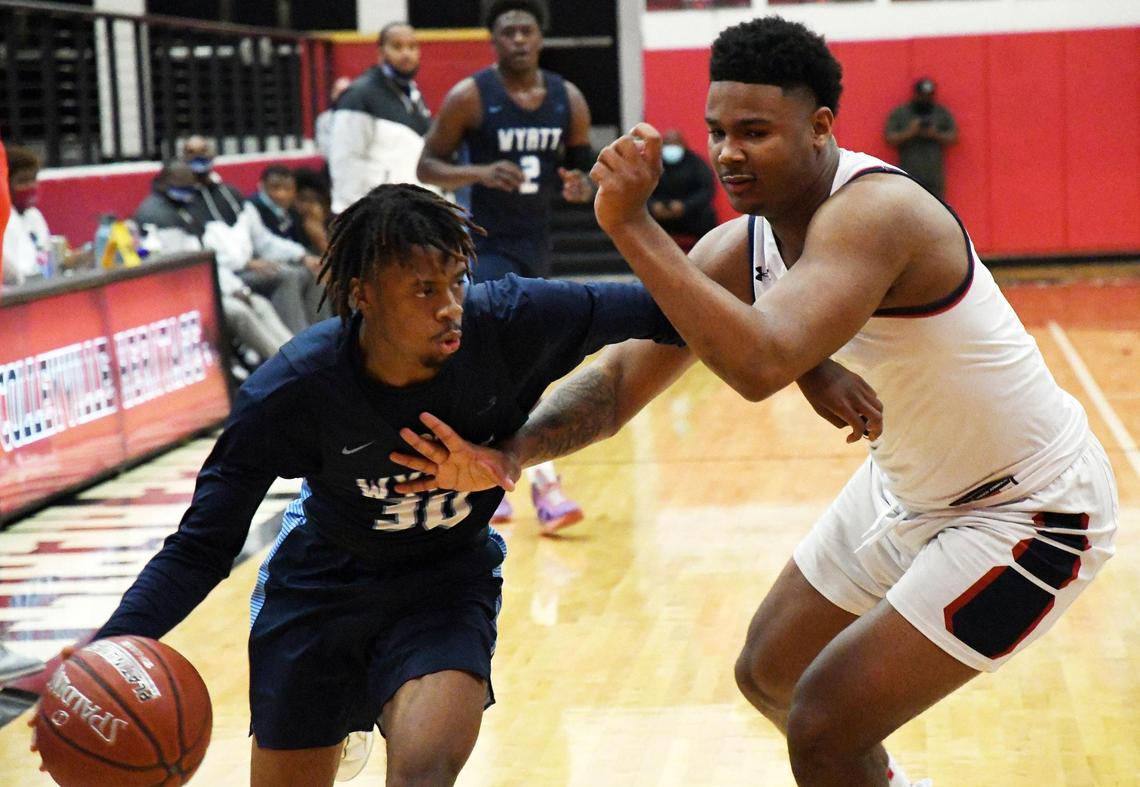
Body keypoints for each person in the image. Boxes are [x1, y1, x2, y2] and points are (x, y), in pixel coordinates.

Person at [392, 17, 1117, 787]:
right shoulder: (745, 246)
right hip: (908, 491)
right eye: (717, 131)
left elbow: (762, 361)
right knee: (769, 672)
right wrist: (511, 452)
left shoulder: (878, 213)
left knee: (824, 728)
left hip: (1026, 511)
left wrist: (632, 226)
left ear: (820, 128)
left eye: (754, 131)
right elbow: (615, 385)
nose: (729, 151)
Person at [75, 183, 715, 786]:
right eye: (423, 289)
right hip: (319, 591)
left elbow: (673, 313)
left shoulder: (511, 321)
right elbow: (201, 548)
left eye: (457, 281)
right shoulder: (293, 390)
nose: (450, 307)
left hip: (444, 585)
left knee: (424, 774)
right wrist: (102, 655)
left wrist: (785, 313)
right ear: (363, 294)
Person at [416, 0, 597, 531]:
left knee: (520, 358)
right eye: (507, 31)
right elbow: (426, 165)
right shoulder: (471, 95)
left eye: (526, 30)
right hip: (482, 246)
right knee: (509, 356)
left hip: (537, 244)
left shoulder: (568, 98)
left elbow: (585, 169)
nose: (518, 38)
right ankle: (542, 485)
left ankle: (496, 478)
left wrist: (580, 184)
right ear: (493, 40)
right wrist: (477, 172)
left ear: (540, 38)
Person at [134, 161, 293, 366]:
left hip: (213, 285)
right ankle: (285, 364)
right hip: (185, 295)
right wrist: (227, 291)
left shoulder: (185, 210)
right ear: (164, 183)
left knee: (259, 303)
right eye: (181, 185)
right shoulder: (156, 215)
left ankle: (294, 351)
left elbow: (208, 261)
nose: (187, 191)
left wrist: (237, 288)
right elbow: (186, 270)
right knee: (239, 312)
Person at [181, 136, 327, 333]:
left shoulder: (231, 194)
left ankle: (322, 336)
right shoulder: (184, 201)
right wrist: (246, 263)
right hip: (227, 273)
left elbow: (264, 240)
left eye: (203, 151)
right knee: (287, 275)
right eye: (191, 152)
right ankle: (299, 344)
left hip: (249, 266)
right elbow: (201, 251)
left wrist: (301, 255)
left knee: (311, 269)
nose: (199, 157)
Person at [329, 22, 433, 214]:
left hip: (414, 210)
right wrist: (350, 215)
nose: (406, 54)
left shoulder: (414, 94)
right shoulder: (359, 94)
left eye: (412, 47)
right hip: (377, 214)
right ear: (381, 53)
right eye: (397, 46)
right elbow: (344, 160)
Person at [884, 77, 957, 200]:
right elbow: (889, 139)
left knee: (936, 209)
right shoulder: (901, 113)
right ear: (916, 94)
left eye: (928, 96)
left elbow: (953, 137)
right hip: (909, 172)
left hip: (934, 174)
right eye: (922, 95)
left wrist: (935, 134)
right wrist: (910, 132)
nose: (925, 99)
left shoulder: (941, 112)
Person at [648, 128, 718, 248]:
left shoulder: (697, 163)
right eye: (667, 143)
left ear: (683, 144)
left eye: (675, 143)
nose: (671, 147)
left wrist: (685, 206)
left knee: (708, 216)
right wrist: (652, 205)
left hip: (690, 214)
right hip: (658, 215)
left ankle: (708, 255)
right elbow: (639, 191)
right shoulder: (652, 164)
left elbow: (706, 190)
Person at [2, 145, 52, 286]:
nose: (31, 187)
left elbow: (45, 256)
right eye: (23, 182)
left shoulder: (34, 216)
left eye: (33, 180)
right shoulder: (6, 220)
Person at [247, 164, 310, 249]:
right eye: (275, 188)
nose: (281, 195)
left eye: (287, 188)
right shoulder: (252, 209)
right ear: (262, 186)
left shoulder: (295, 209)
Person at [315, 75, 353, 161]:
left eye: (345, 93)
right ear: (333, 94)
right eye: (338, 92)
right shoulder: (324, 119)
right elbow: (323, 146)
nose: (342, 96)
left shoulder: (360, 117)